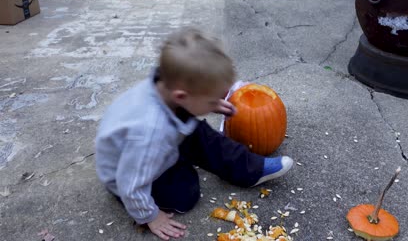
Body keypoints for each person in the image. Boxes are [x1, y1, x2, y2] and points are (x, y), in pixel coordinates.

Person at [95, 27, 293, 240]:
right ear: (181, 96)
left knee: (200, 132)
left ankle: (250, 169)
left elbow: (190, 103)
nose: (218, 102)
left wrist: (211, 102)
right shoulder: (148, 135)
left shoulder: (167, 85)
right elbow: (130, 184)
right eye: (212, 99)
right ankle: (172, 170)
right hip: (126, 175)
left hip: (152, 145)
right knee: (186, 194)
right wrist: (150, 216)